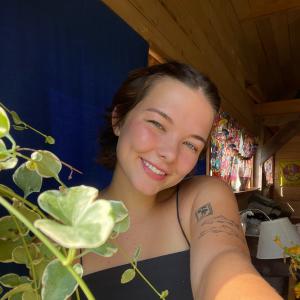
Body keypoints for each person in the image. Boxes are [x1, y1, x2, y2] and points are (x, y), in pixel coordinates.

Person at [79, 62, 282, 299]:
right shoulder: (66, 225)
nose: (170, 154)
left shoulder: (202, 197)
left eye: (190, 144)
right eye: (157, 123)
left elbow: (223, 260)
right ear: (119, 119)